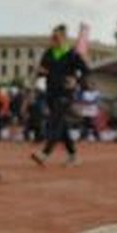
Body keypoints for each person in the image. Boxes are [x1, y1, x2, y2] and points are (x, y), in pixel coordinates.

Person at [31, 24, 88, 166]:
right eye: (52, 37)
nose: (53, 39)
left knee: (54, 122)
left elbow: (86, 70)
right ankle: (73, 155)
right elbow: (41, 71)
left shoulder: (72, 53)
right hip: (51, 93)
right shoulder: (49, 53)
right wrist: (39, 74)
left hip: (65, 94)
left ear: (64, 38)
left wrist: (76, 80)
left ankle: (45, 154)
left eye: (56, 37)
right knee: (61, 126)